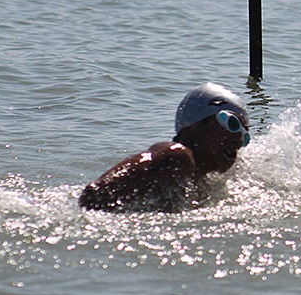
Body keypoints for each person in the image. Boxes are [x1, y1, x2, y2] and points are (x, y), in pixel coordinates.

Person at [79, 82, 252, 212]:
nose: (238, 138)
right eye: (232, 123)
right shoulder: (177, 156)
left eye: (245, 136)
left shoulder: (201, 182)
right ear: (195, 124)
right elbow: (92, 196)